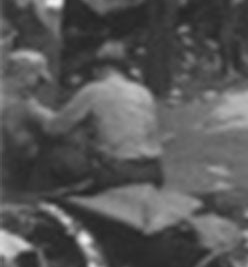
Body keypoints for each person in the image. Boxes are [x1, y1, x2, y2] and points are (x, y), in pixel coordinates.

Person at [47, 41, 166, 190]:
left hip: (119, 171)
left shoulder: (93, 91)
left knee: (59, 158)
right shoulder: (143, 92)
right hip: (153, 169)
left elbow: (54, 128)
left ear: (99, 69)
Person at [0, 48, 57, 193]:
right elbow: (58, 125)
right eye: (39, 80)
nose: (39, 86)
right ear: (25, 75)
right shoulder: (24, 104)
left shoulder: (22, 99)